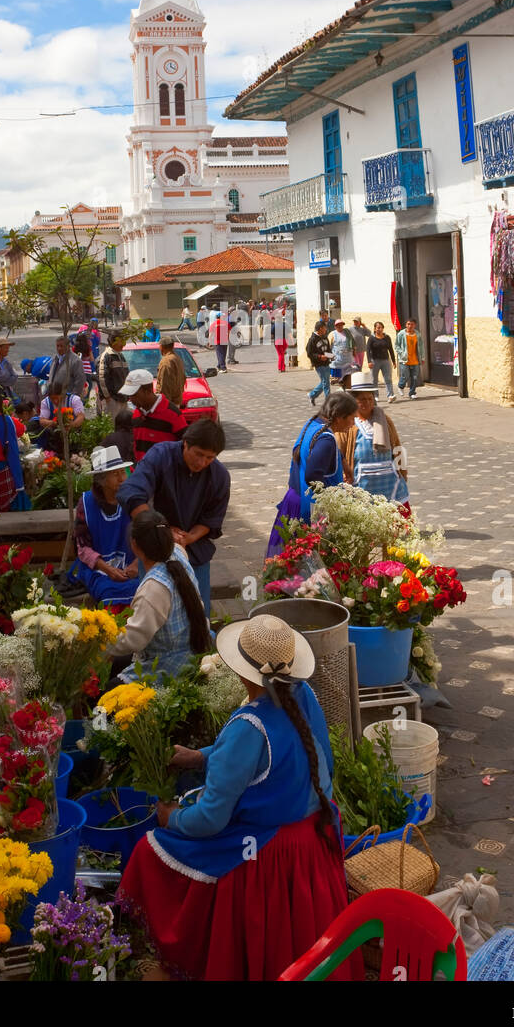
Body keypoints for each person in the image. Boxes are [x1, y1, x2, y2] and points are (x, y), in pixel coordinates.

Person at [116, 614, 361, 983]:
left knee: (151, 849)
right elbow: (271, 755)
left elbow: (210, 819)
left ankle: (182, 958)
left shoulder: (249, 726)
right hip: (313, 841)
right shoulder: (302, 695)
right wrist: (202, 756)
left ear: (243, 671)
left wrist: (171, 818)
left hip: (267, 855)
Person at [117, 419, 230, 617]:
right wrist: (160, 529)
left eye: (209, 458)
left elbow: (211, 519)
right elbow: (131, 493)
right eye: (198, 454)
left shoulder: (219, 475)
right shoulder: (161, 455)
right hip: (155, 546)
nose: (202, 462)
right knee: (152, 612)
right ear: (185, 442)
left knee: (198, 612)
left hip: (194, 550)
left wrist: (186, 539)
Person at [100, 508, 209, 681]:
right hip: (193, 645)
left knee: (105, 703)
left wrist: (95, 643)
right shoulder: (179, 553)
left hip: (170, 666)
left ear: (134, 545)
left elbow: (134, 639)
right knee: (119, 663)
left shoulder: (153, 589)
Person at [268, 391, 358, 551]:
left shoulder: (313, 424)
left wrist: (343, 462)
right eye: (351, 418)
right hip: (307, 509)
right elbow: (312, 475)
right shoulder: (326, 440)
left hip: (294, 499)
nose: (353, 424)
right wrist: (335, 503)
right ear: (339, 417)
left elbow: (321, 453)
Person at [68, 445, 140, 609]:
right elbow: (82, 546)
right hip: (98, 567)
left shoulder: (133, 499)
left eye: (123, 472)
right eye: (115, 474)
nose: (122, 478)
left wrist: (137, 563)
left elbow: (147, 536)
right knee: (107, 590)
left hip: (132, 565)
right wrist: (107, 569)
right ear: (101, 480)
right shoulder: (86, 504)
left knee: (143, 589)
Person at [334, 377, 409, 507]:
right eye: (362, 399)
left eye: (370, 398)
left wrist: (403, 473)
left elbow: (397, 446)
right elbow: (338, 452)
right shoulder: (347, 423)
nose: (367, 403)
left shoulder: (384, 420)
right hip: (360, 484)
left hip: (390, 485)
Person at [119, 370, 186, 464]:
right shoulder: (136, 415)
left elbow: (185, 446)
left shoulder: (172, 414)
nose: (131, 399)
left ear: (148, 391)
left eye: (134, 395)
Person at [38, 382, 86, 453]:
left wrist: (72, 424)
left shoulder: (74, 400)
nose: (55, 401)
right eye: (52, 399)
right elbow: (42, 420)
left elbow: (81, 416)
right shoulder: (45, 402)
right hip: (55, 436)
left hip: (74, 434)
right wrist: (54, 423)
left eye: (57, 398)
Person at [96, 330, 130, 419]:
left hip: (123, 399)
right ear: (113, 342)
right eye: (121, 341)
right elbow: (102, 378)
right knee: (111, 427)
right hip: (112, 401)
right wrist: (108, 397)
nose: (123, 344)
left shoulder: (121, 356)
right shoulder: (106, 357)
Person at [367, 321, 397, 401]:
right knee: (374, 379)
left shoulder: (387, 337)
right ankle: (375, 396)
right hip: (374, 361)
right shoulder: (371, 338)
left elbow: (390, 349)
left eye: (380, 327)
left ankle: (390, 395)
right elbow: (368, 350)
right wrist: (369, 361)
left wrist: (394, 361)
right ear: (374, 329)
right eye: (377, 327)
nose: (379, 329)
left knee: (388, 378)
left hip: (385, 361)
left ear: (383, 328)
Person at [395, 317, 425, 399]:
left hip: (415, 359)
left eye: (412, 324)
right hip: (404, 359)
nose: (410, 326)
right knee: (405, 375)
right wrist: (401, 353)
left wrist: (422, 357)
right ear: (406, 325)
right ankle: (401, 386)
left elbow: (421, 346)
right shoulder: (401, 334)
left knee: (415, 378)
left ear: (415, 325)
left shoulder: (417, 334)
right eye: (408, 324)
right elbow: (396, 345)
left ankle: (412, 393)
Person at [306, 319, 332, 406]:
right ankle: (328, 402)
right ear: (320, 328)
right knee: (326, 383)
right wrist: (320, 357)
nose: (326, 329)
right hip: (319, 364)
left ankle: (311, 395)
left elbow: (328, 349)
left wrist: (330, 356)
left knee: (325, 382)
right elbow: (309, 353)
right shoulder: (312, 339)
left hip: (326, 363)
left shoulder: (325, 337)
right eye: (325, 327)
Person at [156, 338, 186, 407]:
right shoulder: (177, 358)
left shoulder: (166, 361)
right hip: (175, 401)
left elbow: (164, 384)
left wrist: (163, 403)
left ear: (161, 347)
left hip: (168, 404)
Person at [328, 318, 354, 390]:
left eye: (341, 325)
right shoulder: (332, 334)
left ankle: (347, 392)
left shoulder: (347, 333)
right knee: (339, 380)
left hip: (347, 360)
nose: (340, 326)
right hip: (337, 361)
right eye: (338, 325)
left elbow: (352, 343)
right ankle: (342, 391)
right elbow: (327, 346)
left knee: (348, 378)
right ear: (335, 326)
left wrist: (353, 352)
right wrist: (329, 356)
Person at [73, 330, 96, 401]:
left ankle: (77, 400)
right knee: (89, 385)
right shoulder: (88, 348)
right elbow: (92, 359)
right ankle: (85, 400)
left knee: (77, 386)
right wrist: (87, 357)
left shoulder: (74, 348)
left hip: (77, 371)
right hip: (87, 371)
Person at [209, 308, 230, 372]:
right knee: (223, 353)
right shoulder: (225, 323)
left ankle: (223, 368)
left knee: (219, 354)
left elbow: (211, 334)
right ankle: (219, 366)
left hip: (217, 341)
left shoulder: (213, 324)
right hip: (225, 340)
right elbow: (229, 331)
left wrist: (210, 342)